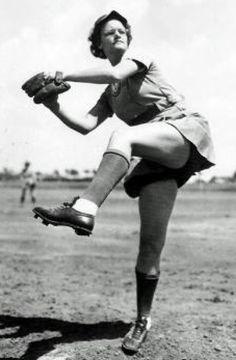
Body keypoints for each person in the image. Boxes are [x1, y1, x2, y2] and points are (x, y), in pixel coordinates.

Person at [32, 11, 215, 353]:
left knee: (123, 134)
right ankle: (143, 319)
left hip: (182, 131)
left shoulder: (136, 60)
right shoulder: (111, 92)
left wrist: (63, 74)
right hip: (155, 158)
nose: (117, 35)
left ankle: (84, 208)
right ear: (98, 45)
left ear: (128, 38)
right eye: (108, 33)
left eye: (121, 31)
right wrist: (54, 105)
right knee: (150, 244)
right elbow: (87, 125)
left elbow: (115, 72)